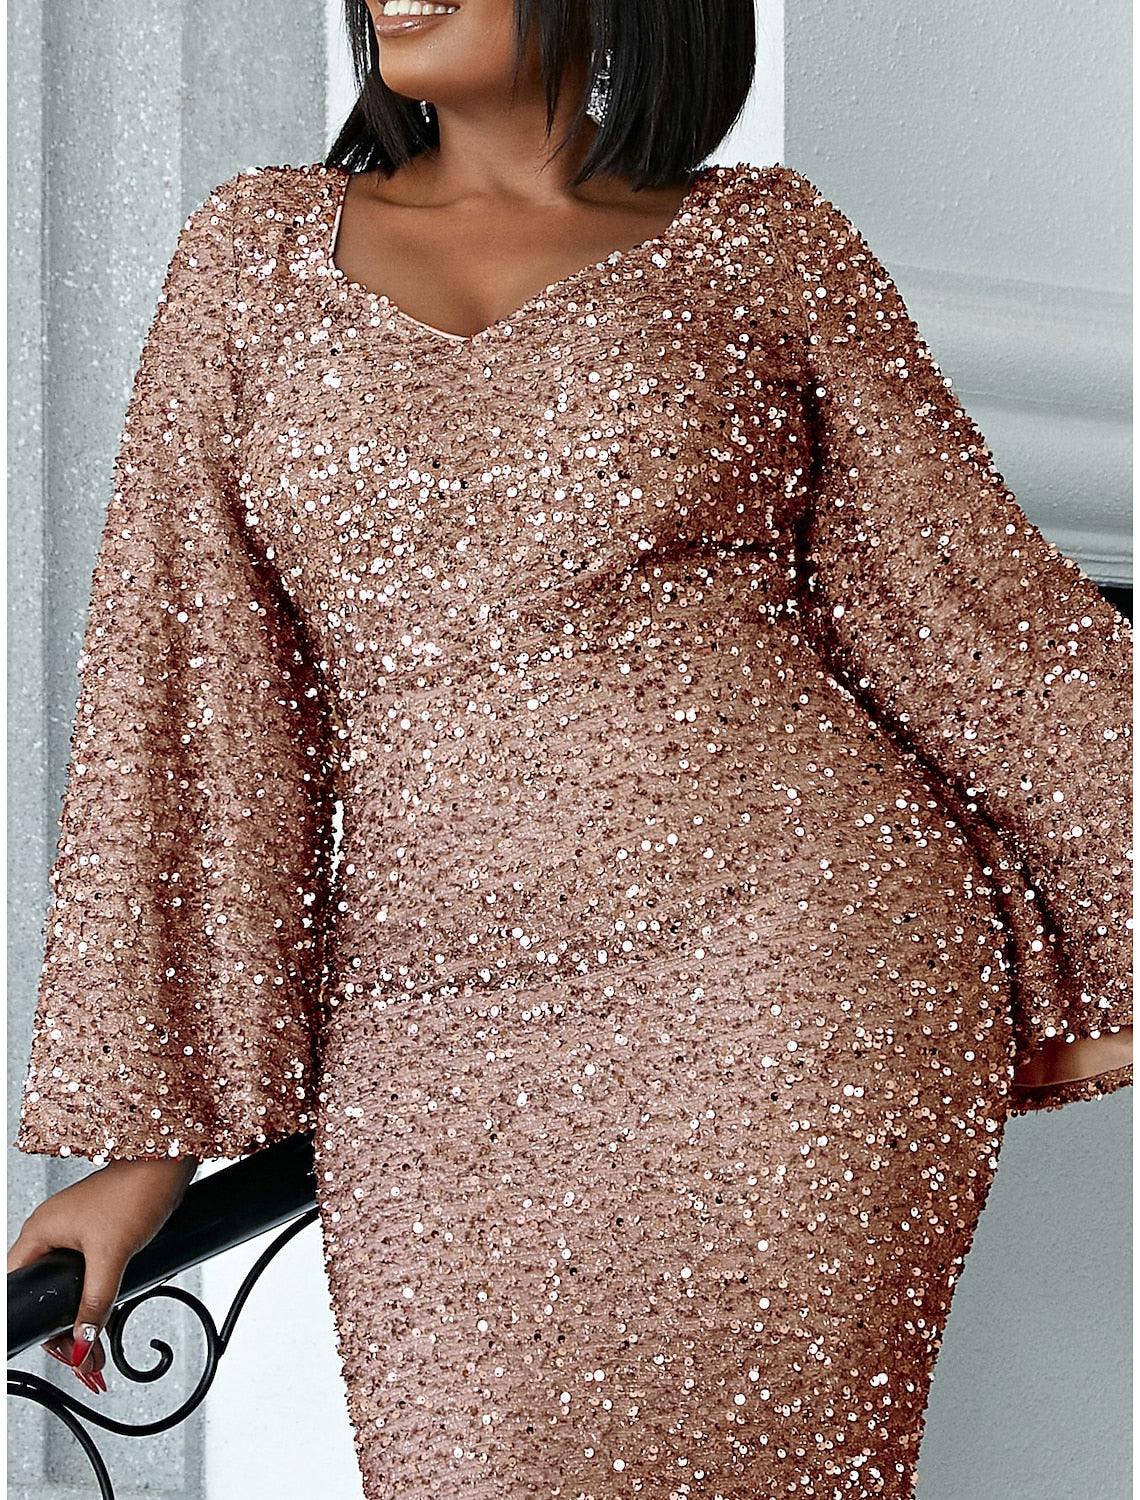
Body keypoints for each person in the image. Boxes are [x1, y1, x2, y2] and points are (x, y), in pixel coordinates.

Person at [8, 0, 1133, 1493]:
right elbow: (185, 687)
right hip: (431, 1038)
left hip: (791, 989)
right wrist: (145, 1146)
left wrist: (1116, 910)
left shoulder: (766, 245)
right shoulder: (250, 256)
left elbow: (967, 602)